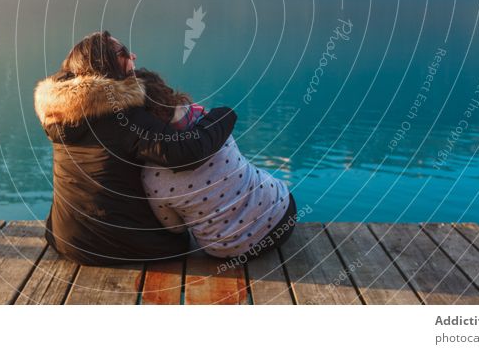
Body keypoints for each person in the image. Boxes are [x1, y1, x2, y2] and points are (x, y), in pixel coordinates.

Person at [34, 30, 237, 265]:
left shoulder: (59, 113)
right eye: (123, 53)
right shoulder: (120, 114)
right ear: (105, 64)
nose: (134, 56)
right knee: (180, 242)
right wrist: (223, 115)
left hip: (65, 239)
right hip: (114, 244)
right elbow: (186, 151)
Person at [136, 69, 297, 261]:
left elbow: (175, 227)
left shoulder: (151, 177)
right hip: (282, 215)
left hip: (229, 250)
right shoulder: (209, 126)